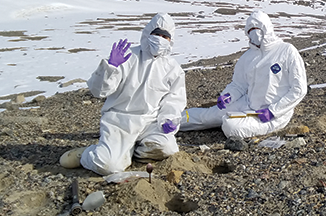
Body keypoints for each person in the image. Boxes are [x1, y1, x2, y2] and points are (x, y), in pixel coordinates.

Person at [59, 13, 186, 175]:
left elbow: (174, 100)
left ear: (170, 40)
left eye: (165, 36)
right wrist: (110, 68)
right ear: (148, 34)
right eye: (157, 34)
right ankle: (87, 154)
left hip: (150, 122)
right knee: (109, 167)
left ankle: (130, 151)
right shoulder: (127, 58)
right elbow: (99, 91)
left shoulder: (172, 68)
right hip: (119, 121)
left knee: (167, 148)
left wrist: (169, 118)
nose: (160, 39)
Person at [179, 10, 307, 138]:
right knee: (210, 115)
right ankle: (169, 121)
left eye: (257, 28)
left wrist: (273, 111)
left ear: (266, 28)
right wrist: (228, 96)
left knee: (231, 127)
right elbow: (239, 85)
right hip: (248, 104)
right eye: (250, 30)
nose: (254, 33)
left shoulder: (286, 51)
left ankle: (231, 122)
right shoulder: (248, 57)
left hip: (273, 115)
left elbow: (299, 89)